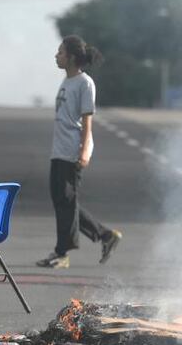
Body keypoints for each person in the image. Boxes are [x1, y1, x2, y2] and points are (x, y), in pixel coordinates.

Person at [36, 35, 122, 269]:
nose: (57, 56)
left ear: (72, 57)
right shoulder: (67, 82)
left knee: (66, 201)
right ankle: (105, 235)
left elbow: (87, 121)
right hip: (59, 150)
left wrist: (84, 151)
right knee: (63, 200)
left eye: (61, 52)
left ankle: (62, 252)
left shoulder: (85, 83)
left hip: (72, 151)